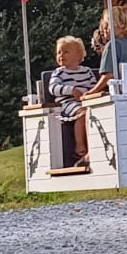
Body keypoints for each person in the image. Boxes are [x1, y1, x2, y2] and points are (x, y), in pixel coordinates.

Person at [46, 36, 99, 166]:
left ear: (78, 55)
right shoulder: (59, 73)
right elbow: (53, 88)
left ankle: (96, 147)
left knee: (95, 111)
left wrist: (90, 94)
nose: (61, 55)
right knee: (82, 112)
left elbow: (94, 86)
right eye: (58, 52)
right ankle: (80, 147)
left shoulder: (86, 71)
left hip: (85, 101)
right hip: (67, 104)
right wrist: (71, 90)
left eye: (66, 52)